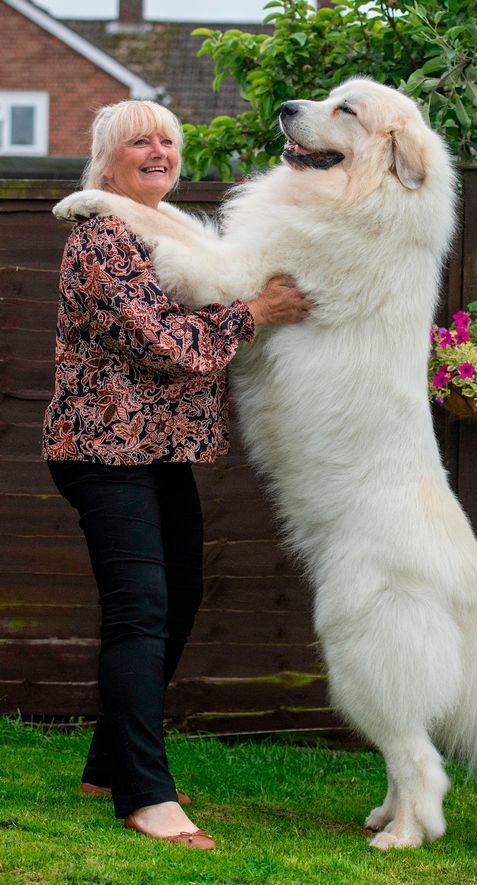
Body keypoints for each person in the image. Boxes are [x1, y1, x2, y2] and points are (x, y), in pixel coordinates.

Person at [42, 100, 313, 850]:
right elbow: (165, 343)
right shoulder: (101, 237)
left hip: (157, 452)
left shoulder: (171, 229)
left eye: (168, 139)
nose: (159, 150)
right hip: (102, 450)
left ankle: (107, 763)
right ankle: (144, 793)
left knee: (179, 596)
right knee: (140, 611)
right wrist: (256, 311)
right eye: (140, 140)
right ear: (107, 159)